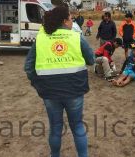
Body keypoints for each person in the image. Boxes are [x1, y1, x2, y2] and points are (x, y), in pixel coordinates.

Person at [24, 6, 94, 157]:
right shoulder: (76, 37)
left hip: (49, 92)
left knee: (55, 127)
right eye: (70, 19)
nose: (72, 21)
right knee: (78, 127)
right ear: (64, 21)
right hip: (74, 90)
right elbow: (91, 59)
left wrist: (37, 84)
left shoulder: (41, 38)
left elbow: (28, 67)